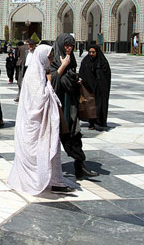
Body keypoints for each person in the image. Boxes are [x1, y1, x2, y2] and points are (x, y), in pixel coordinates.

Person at [7, 44, 76, 195]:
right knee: (39, 151)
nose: (50, 60)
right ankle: (34, 180)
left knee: (51, 150)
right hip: (36, 124)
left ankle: (55, 181)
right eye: (49, 57)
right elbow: (39, 100)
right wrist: (50, 86)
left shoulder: (39, 72)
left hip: (44, 123)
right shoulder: (33, 75)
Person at [50, 33, 99, 180]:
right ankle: (48, 171)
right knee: (52, 139)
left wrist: (76, 79)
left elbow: (69, 77)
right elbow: (51, 82)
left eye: (71, 45)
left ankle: (80, 166)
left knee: (74, 133)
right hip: (56, 105)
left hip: (69, 104)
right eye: (66, 45)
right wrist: (63, 66)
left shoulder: (71, 60)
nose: (69, 48)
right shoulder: (52, 60)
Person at [79, 44, 111, 131]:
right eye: (89, 52)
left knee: (98, 105)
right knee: (90, 106)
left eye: (93, 52)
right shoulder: (86, 61)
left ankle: (99, 121)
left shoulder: (103, 62)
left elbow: (106, 75)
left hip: (99, 88)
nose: (91, 54)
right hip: (88, 87)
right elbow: (81, 72)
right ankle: (91, 122)